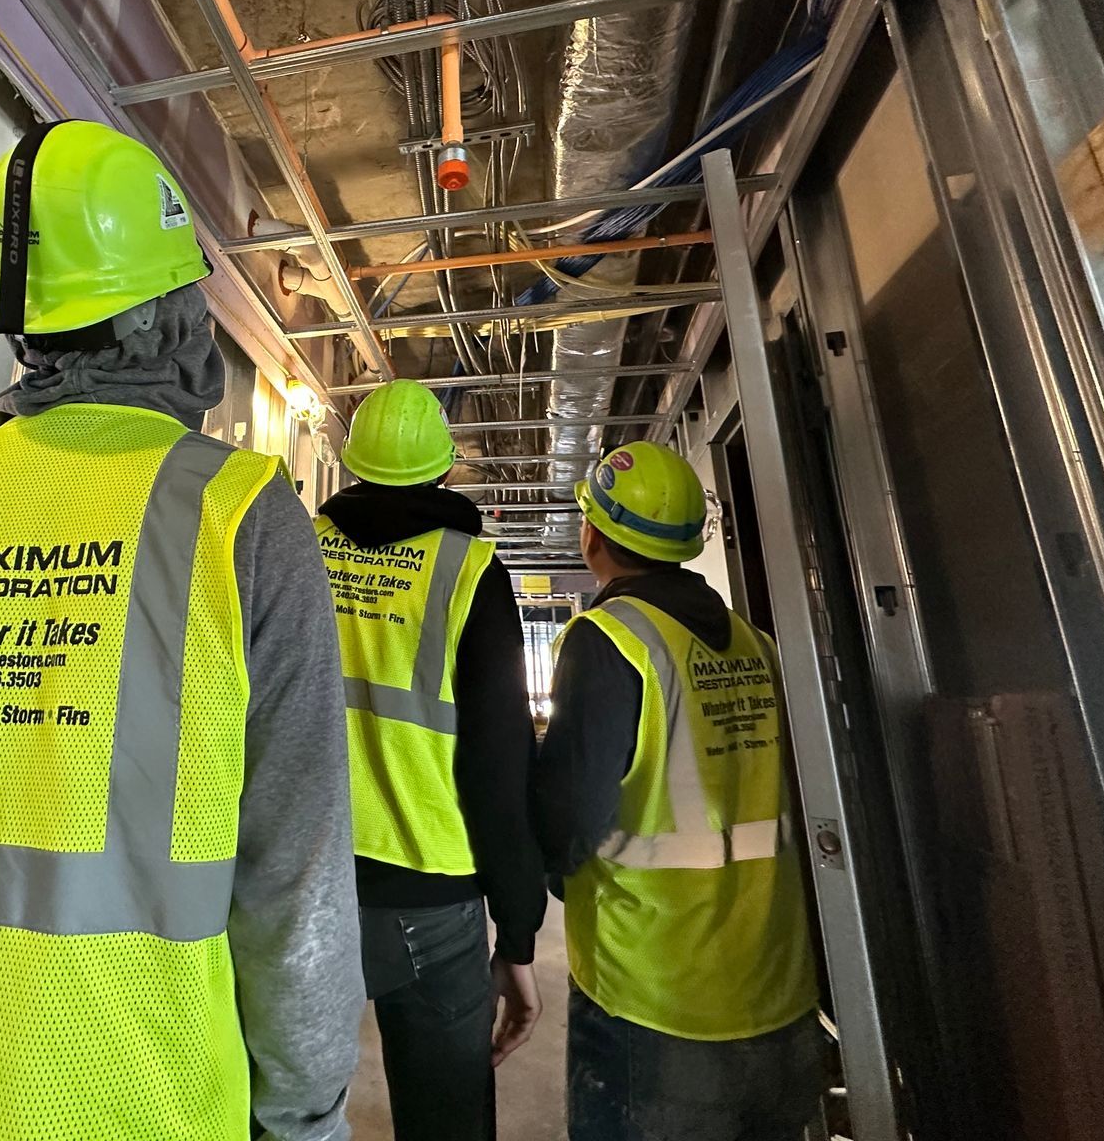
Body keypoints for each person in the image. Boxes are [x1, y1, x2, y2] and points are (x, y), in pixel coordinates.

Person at [0, 119, 363, 1141]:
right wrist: (306, 1109)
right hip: (125, 1091)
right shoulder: (237, 514)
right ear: (164, 316)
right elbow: (295, 870)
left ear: (22, 332)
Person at [534, 441, 822, 1141]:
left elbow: (568, 822)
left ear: (593, 535)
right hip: (776, 983)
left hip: (653, 992)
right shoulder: (757, 644)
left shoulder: (608, 639)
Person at [315, 379, 545, 1141]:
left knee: (282, 1110)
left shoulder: (296, 549)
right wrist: (517, 931)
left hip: (300, 877)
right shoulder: (470, 572)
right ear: (446, 469)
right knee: (446, 1121)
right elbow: (498, 767)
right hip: (430, 892)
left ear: (351, 463)